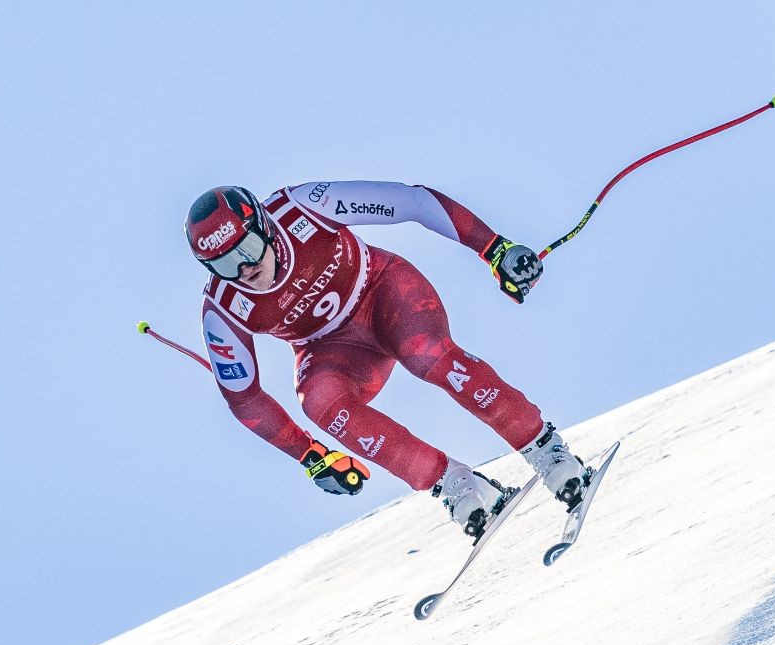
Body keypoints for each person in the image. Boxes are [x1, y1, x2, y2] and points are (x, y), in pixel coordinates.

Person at [185, 182, 589, 537]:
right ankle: (459, 487)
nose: (246, 268)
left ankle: (548, 453)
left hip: (383, 292)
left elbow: (413, 202)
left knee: (425, 355)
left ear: (266, 228)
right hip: (332, 349)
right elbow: (244, 397)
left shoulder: (304, 207)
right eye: (225, 265)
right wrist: (310, 455)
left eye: (250, 249)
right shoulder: (223, 309)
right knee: (320, 402)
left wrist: (493, 248)